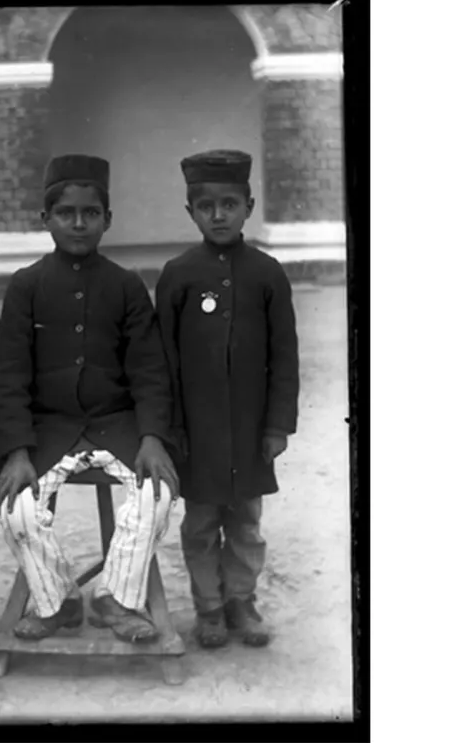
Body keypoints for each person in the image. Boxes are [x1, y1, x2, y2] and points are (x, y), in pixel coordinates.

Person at [0, 154, 180, 644]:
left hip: (116, 426)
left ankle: (118, 599)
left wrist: (153, 438)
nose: (79, 223)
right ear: (46, 219)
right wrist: (16, 451)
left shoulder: (126, 285)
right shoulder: (26, 286)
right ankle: (58, 602)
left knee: (157, 494)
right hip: (50, 431)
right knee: (17, 509)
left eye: (91, 213)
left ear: (108, 220)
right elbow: (8, 375)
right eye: (66, 213)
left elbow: (150, 372)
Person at [155, 149, 300, 649]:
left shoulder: (267, 273)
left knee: (245, 521)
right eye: (207, 206)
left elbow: (285, 356)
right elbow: (164, 359)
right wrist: (171, 427)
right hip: (196, 432)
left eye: (230, 204)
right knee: (199, 524)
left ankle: (241, 601)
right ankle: (209, 608)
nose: (219, 215)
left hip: (250, 430)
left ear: (249, 206)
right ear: (190, 211)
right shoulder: (178, 273)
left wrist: (277, 425)